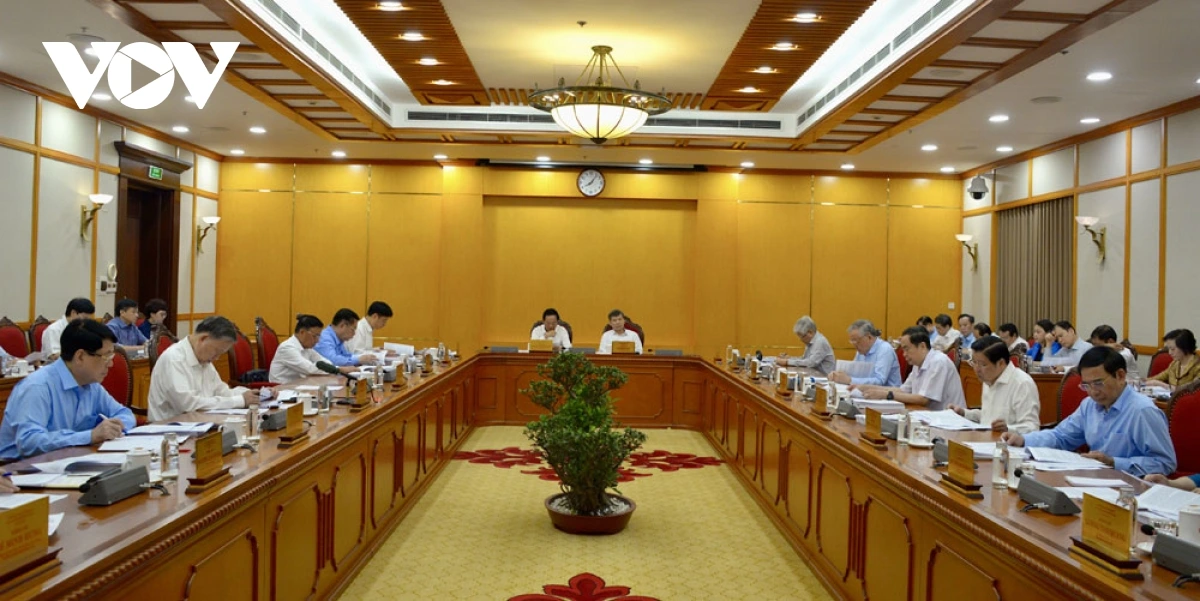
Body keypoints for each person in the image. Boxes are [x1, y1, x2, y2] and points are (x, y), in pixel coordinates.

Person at [1002, 346, 1176, 476]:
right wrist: (1024, 439)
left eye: (1098, 383)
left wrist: (1114, 462)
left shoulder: (1143, 411)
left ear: (1120, 376)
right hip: (1095, 482)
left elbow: (1165, 463)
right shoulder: (1089, 405)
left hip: (1132, 490)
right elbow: (1061, 436)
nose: (1093, 391)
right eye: (1086, 385)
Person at [0, 319, 135, 460]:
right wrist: (89, 436)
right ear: (80, 356)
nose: (111, 364)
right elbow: (29, 443)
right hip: (19, 468)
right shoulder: (37, 386)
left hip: (68, 461)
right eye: (106, 357)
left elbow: (124, 413)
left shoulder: (91, 384)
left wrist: (116, 427)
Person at [147, 316, 258, 422]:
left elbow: (221, 391)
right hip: (170, 428)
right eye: (217, 351)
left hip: (200, 423)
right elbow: (188, 405)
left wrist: (249, 394)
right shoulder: (174, 359)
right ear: (203, 339)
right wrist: (239, 400)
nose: (217, 358)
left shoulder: (203, 359)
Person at [853, 327, 964, 410]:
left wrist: (886, 395)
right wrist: (867, 388)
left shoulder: (938, 361)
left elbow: (923, 399)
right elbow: (903, 390)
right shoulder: (918, 364)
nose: (904, 354)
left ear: (922, 346)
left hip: (950, 422)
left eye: (907, 349)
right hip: (927, 416)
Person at [952, 337, 1040, 433]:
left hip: (1007, 441)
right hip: (985, 439)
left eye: (983, 364)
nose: (977, 369)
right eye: (974, 362)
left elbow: (1032, 427)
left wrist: (1008, 429)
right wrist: (964, 413)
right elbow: (988, 416)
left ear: (1001, 363)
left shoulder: (1022, 384)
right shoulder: (989, 379)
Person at [270, 314, 355, 384]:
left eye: (319, 336)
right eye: (315, 336)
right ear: (302, 332)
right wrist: (338, 370)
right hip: (282, 391)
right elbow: (310, 369)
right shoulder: (287, 348)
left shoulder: (307, 347)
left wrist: (335, 368)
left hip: (298, 387)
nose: (317, 340)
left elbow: (324, 362)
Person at [829, 320, 901, 387]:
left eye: (856, 341)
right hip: (866, 392)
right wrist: (838, 375)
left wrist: (849, 380)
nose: (854, 345)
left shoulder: (885, 350)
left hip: (888, 394)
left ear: (869, 337)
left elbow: (880, 381)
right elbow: (853, 373)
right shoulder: (861, 351)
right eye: (852, 341)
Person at [315, 309, 379, 367]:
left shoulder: (338, 338)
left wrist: (363, 358)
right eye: (353, 330)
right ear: (342, 326)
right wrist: (358, 360)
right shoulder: (324, 338)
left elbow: (345, 355)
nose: (354, 334)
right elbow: (333, 360)